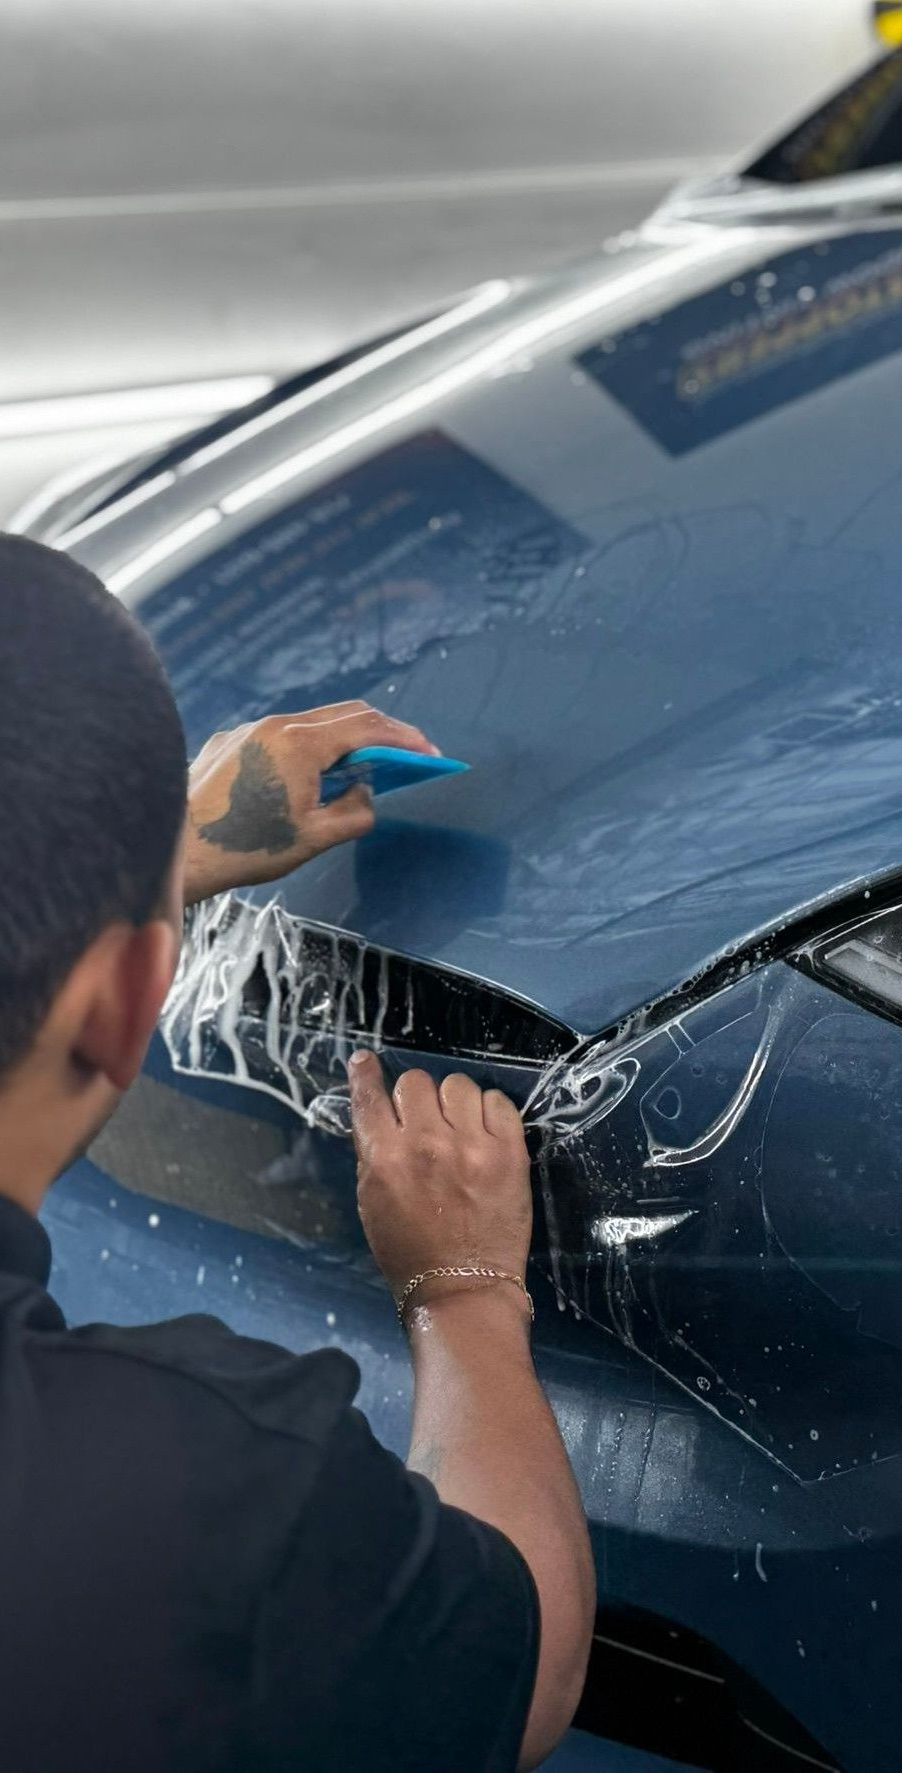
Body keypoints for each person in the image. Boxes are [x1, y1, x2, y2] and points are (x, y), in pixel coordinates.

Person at [0, 534, 595, 1770]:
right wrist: (464, 1294)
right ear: (128, 1008)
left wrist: (150, 864)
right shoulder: (174, 1499)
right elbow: (522, 1659)